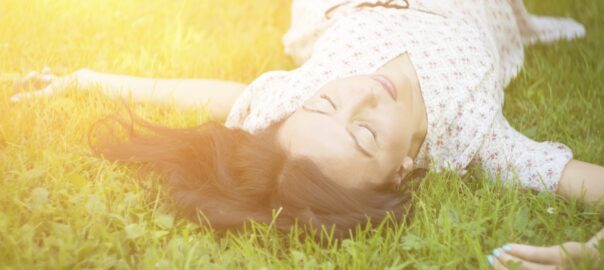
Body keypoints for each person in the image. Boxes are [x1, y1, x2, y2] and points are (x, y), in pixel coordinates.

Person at [10, 0, 604, 268]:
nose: (363, 94)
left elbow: (199, 94)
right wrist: (589, 253)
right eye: (366, 134)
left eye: (330, 103)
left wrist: (85, 78)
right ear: (401, 172)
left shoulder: (296, 106)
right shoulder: (478, 142)